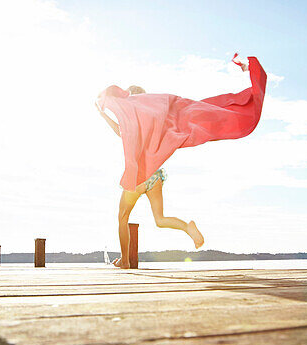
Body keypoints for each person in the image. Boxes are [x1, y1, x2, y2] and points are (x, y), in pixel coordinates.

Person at [96, 54, 267, 269]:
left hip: (140, 175)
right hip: (157, 176)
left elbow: (120, 132)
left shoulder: (134, 121)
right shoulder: (158, 119)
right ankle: (188, 227)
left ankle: (125, 261)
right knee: (160, 219)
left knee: (122, 217)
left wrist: (104, 115)